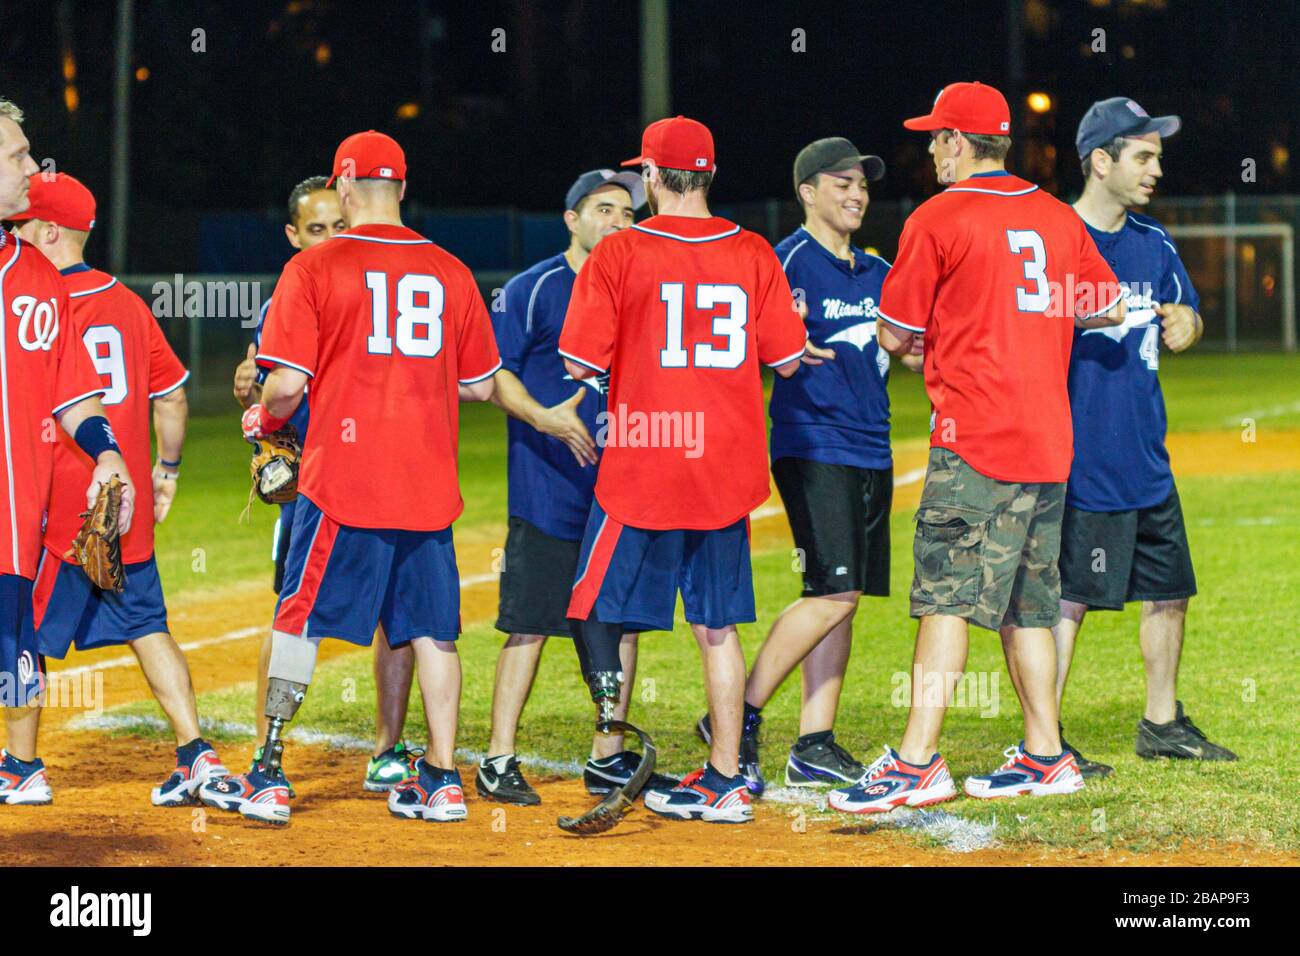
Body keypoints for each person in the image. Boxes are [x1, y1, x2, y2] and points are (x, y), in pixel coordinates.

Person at [829, 82, 1126, 814]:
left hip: (976, 440)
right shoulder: (1056, 216)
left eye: (937, 137)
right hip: (1049, 441)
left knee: (944, 603)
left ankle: (917, 762)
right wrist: (1029, 328)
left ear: (960, 142)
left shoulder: (940, 215)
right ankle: (1047, 755)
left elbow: (895, 333)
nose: (931, 149)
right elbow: (1108, 305)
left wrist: (949, 336)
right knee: (1030, 604)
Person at [201, 130, 501, 825]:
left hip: (342, 480)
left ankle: (269, 772)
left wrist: (261, 419)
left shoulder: (315, 267)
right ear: (401, 186)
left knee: (297, 620)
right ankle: (442, 779)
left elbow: (284, 385)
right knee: (433, 632)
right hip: (427, 484)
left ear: (342, 186)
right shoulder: (452, 270)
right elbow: (483, 387)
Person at [559, 116, 827, 823]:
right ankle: (728, 776)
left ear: (651, 177)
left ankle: (610, 745)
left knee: (599, 607)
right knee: (718, 628)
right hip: (724, 467)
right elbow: (789, 360)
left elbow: (578, 361)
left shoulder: (620, 252)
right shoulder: (753, 251)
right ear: (708, 176)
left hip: (644, 462)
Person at [698, 137, 922, 795]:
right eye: (841, 183)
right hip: (812, 446)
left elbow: (909, 353)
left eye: (862, 185)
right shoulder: (780, 264)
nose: (856, 194)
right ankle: (733, 720)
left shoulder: (879, 271)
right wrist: (777, 335)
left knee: (840, 603)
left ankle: (815, 743)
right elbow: (736, 346)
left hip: (872, 450)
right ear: (807, 192)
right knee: (834, 593)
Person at [11, 172, 229, 805]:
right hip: (124, 505)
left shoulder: (34, 301)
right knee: (147, 625)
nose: (14, 237)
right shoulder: (130, 303)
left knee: (22, 638)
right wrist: (167, 470)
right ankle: (195, 753)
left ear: (47, 231)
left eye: (21, 227)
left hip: (60, 511)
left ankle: (21, 768)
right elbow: (173, 396)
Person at [1053, 96, 1235, 774]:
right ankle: (1046, 739)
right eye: (1143, 156)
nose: (1156, 168)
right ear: (1101, 162)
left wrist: (1190, 323)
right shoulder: (1051, 240)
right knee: (1070, 600)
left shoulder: (1153, 242)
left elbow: (1181, 313)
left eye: (1157, 155)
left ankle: (1162, 721)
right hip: (1081, 457)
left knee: (1169, 589)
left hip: (1146, 455)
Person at [481, 168, 675, 805]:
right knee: (530, 624)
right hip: (547, 488)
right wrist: (544, 418)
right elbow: (490, 374)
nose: (620, 221)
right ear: (571, 218)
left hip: (620, 489)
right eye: (603, 209)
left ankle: (607, 757)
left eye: (628, 211)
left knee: (619, 626)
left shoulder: (643, 283)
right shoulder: (532, 288)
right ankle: (498, 758)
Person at [232, 177, 420, 795]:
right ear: (292, 236)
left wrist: (261, 400)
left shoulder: (371, 283)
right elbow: (266, 380)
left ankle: (387, 750)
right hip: (321, 489)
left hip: (387, 476)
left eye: (338, 225)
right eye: (316, 230)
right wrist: (255, 400)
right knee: (294, 615)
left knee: (398, 619)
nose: (333, 240)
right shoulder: (293, 292)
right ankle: (267, 751)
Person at [0, 98, 137, 805]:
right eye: (19, 155)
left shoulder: (36, 277)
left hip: (12, 523)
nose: (34, 165)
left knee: (14, 648)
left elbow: (75, 392)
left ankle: (21, 768)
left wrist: (108, 453)